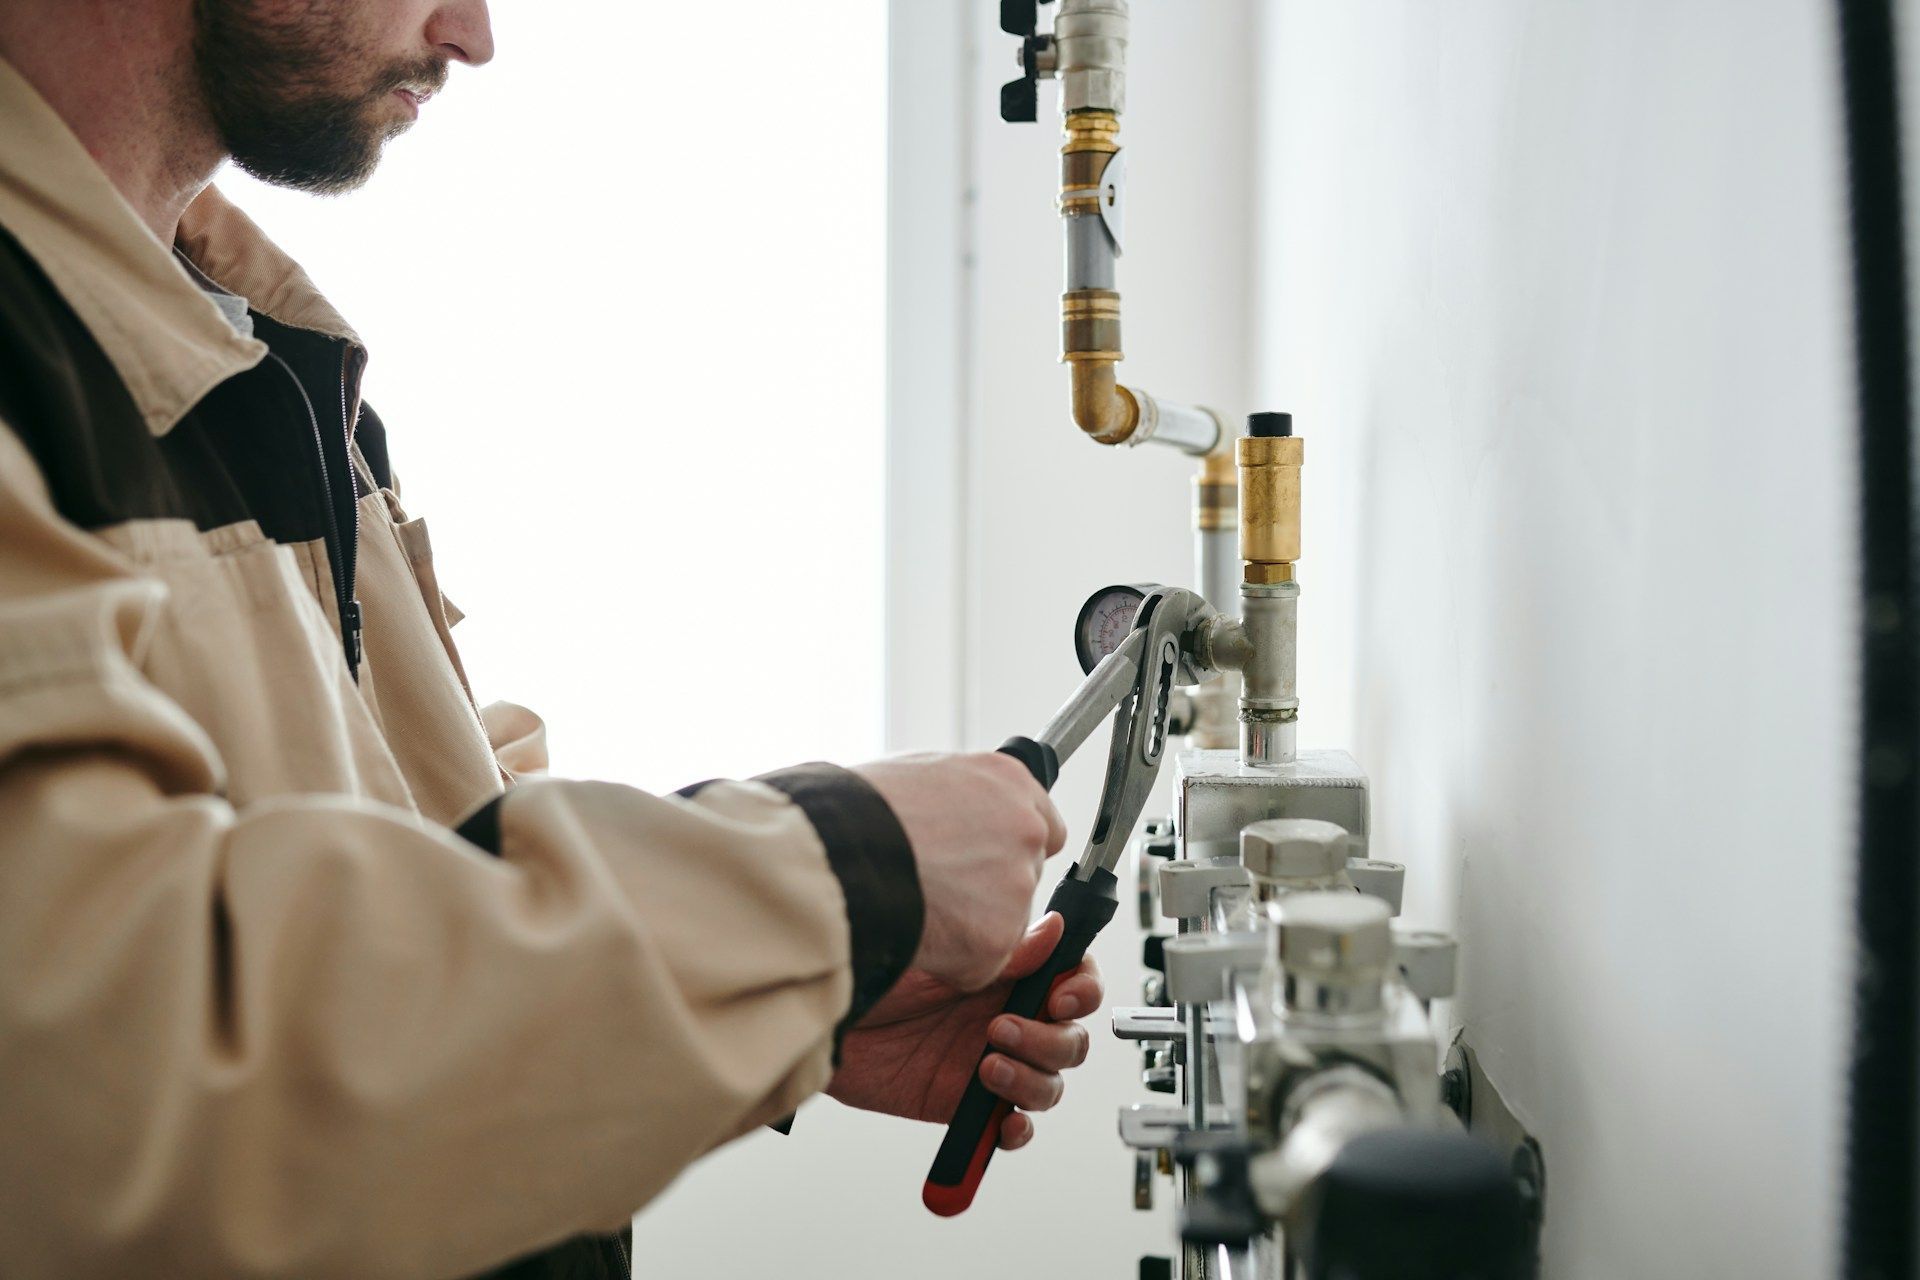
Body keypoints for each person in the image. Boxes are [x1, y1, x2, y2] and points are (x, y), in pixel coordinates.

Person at [0, 2, 1106, 1276]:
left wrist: (784, 1011)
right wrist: (834, 886)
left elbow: (398, 889)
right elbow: (129, 1075)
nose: (471, 32)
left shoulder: (257, 348)